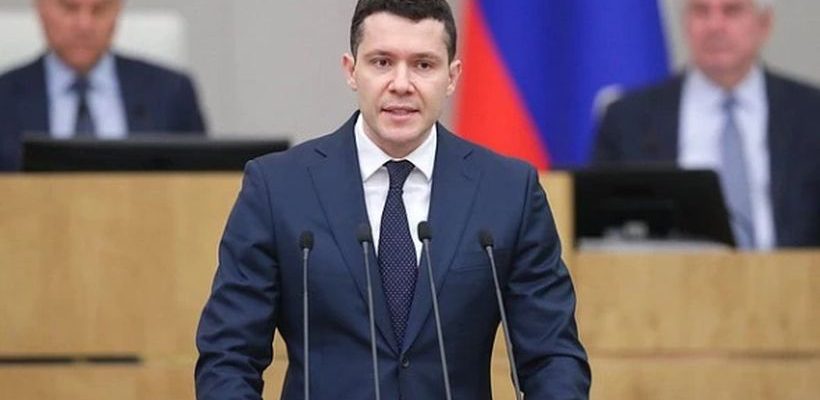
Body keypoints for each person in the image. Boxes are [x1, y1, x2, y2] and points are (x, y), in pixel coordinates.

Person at [195, 0, 590, 398]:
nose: (401, 84)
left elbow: (552, 357)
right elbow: (228, 356)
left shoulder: (508, 191)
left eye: (423, 64)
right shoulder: (278, 188)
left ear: (452, 76)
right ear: (351, 70)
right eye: (382, 62)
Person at [594, 0, 820, 249]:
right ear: (685, 23)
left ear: (764, 24)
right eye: (701, 11)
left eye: (732, 11)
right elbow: (599, 231)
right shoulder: (628, 117)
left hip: (797, 273)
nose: (715, 26)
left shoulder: (811, 114)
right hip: (667, 273)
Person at [0, 0, 207, 171]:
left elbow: (200, 185)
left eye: (99, 10)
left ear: (118, 10)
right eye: (69, 8)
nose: (84, 25)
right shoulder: (4, 97)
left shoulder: (171, 92)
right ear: (41, 7)